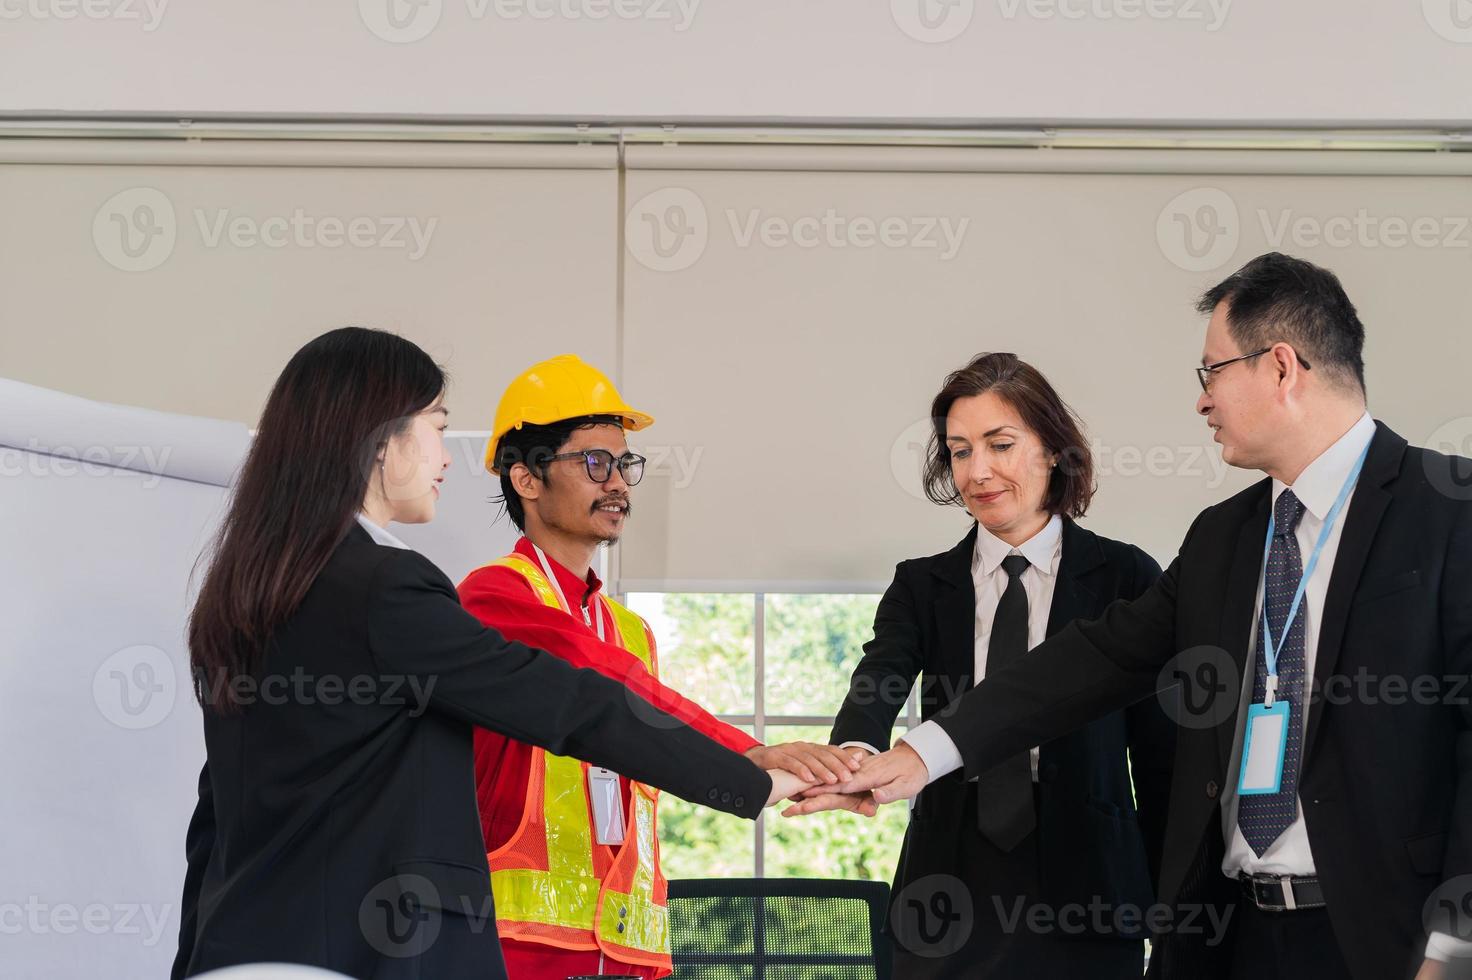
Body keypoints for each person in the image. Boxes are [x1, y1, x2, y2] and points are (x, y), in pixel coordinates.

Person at [795, 253, 1472, 980]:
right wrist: (919, 755)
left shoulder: (1450, 511)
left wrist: (1453, 949)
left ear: (1280, 368)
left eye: (1212, 371)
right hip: (1231, 938)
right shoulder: (1223, 536)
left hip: (1387, 942)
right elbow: (1091, 662)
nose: (1202, 401)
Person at [171, 328, 806, 980]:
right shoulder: (386, 587)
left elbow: (215, 819)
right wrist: (755, 777)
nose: (448, 457)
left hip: (243, 953)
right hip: (361, 955)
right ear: (381, 438)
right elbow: (570, 705)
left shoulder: (247, 591)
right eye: (438, 426)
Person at [457, 354, 861, 979]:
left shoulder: (631, 631)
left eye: (624, 465)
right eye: (595, 462)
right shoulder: (495, 595)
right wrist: (747, 756)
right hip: (521, 946)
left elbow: (646, 731)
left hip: (630, 948)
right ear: (526, 479)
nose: (617, 482)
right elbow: (608, 683)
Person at [826, 352, 1175, 978]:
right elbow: (880, 677)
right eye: (960, 451)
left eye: (1000, 444)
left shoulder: (1127, 577)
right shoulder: (922, 584)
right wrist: (852, 752)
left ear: (1052, 450)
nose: (978, 471)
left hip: (1090, 876)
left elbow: (1159, 759)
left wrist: (1176, 905)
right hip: (948, 872)